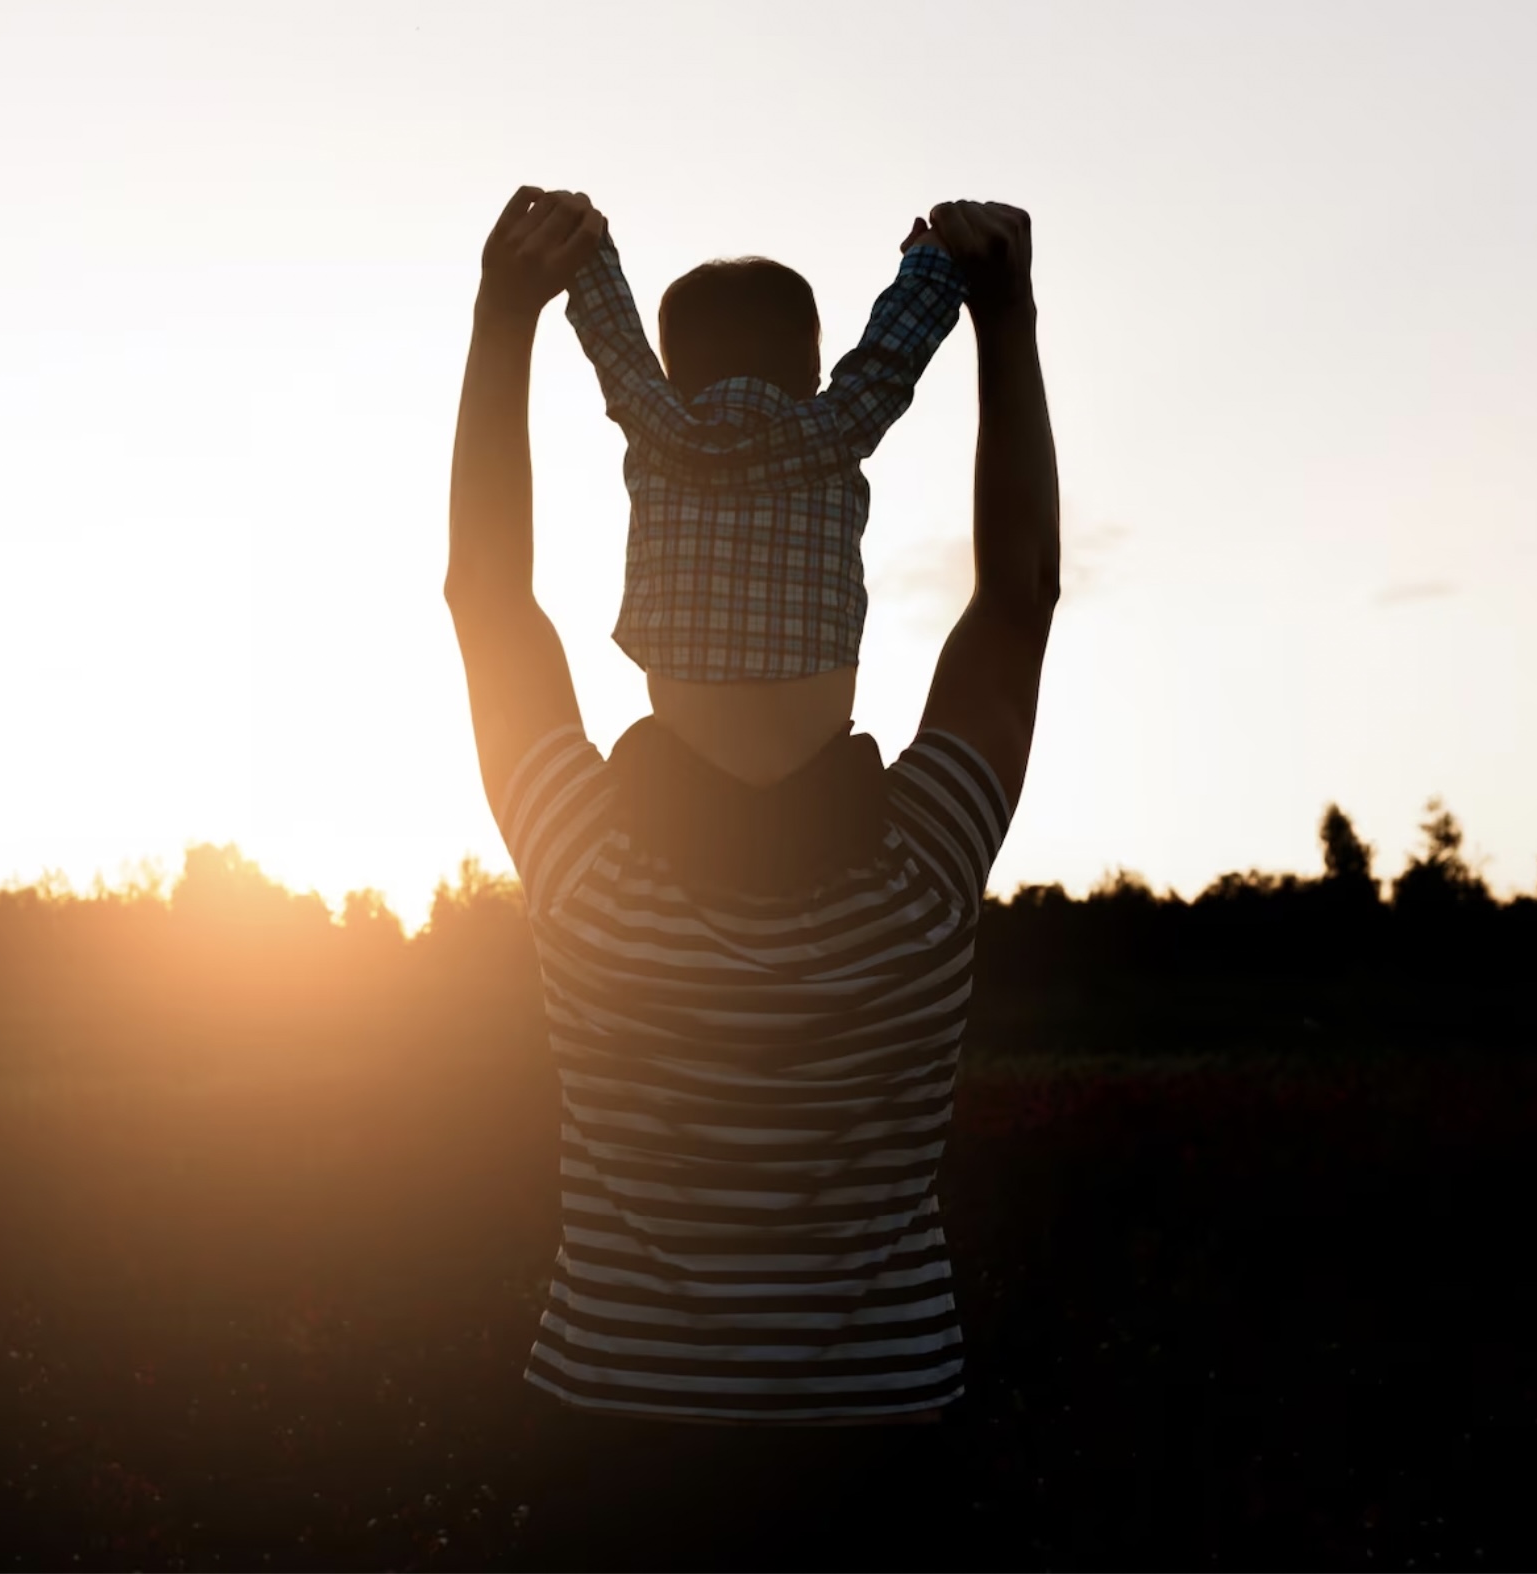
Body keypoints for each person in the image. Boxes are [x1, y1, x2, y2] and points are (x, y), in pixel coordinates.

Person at [445, 186, 1058, 1559]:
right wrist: (1003, 323)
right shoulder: (922, 865)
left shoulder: (582, 861)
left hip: (612, 1439)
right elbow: (1017, 599)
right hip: (879, 1446)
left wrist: (503, 321)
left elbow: (486, 594)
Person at [559, 212, 968, 785]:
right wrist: (933, 262)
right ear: (813, 372)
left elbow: (614, 340)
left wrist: (585, 246)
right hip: (818, 772)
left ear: (673, 379)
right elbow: (889, 358)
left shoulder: (659, 429)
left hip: (682, 775)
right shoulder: (837, 427)